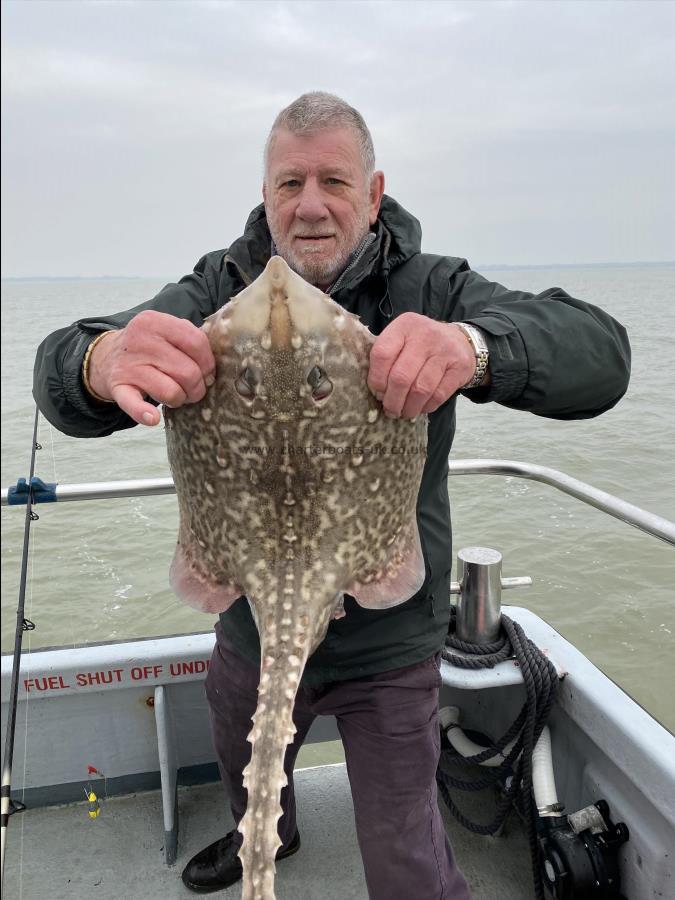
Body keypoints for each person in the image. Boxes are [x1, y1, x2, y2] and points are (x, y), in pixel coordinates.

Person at [33, 92, 631, 899]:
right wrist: (98, 361)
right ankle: (268, 835)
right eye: (288, 183)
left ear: (374, 193)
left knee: (406, 861)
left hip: (388, 650)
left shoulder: (433, 287)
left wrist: (475, 345)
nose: (309, 205)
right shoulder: (217, 287)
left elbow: (600, 354)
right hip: (251, 627)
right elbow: (62, 364)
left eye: (334, 182)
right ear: (265, 193)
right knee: (251, 781)